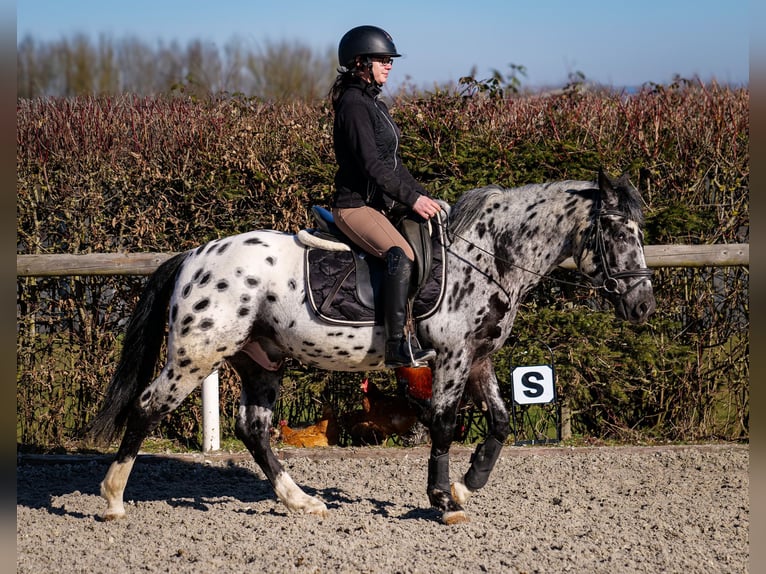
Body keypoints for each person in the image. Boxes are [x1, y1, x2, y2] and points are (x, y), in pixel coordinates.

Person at [329, 25, 442, 368]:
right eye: (382, 59)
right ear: (360, 62)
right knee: (401, 254)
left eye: (390, 59)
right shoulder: (353, 104)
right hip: (353, 207)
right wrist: (411, 199)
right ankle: (395, 345)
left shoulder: (373, 103)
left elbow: (394, 163)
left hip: (376, 205)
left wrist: (423, 197)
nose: (389, 65)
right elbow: (371, 166)